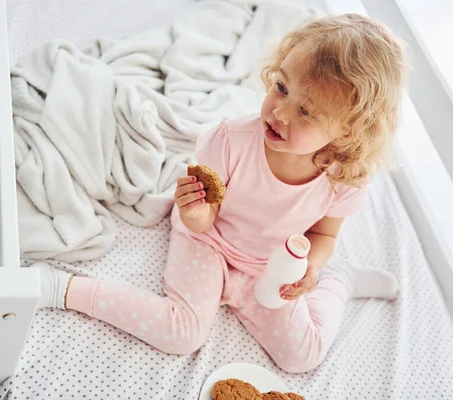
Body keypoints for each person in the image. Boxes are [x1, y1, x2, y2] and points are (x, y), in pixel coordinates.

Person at [36, 13, 406, 373]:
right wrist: (194, 213)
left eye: (306, 111)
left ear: (345, 133)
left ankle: (341, 282)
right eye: (281, 87)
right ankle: (65, 288)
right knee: (181, 333)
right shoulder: (231, 140)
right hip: (209, 241)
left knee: (301, 357)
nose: (280, 112)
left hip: (269, 266)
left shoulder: (342, 179)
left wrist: (311, 267)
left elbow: (323, 234)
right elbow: (203, 218)